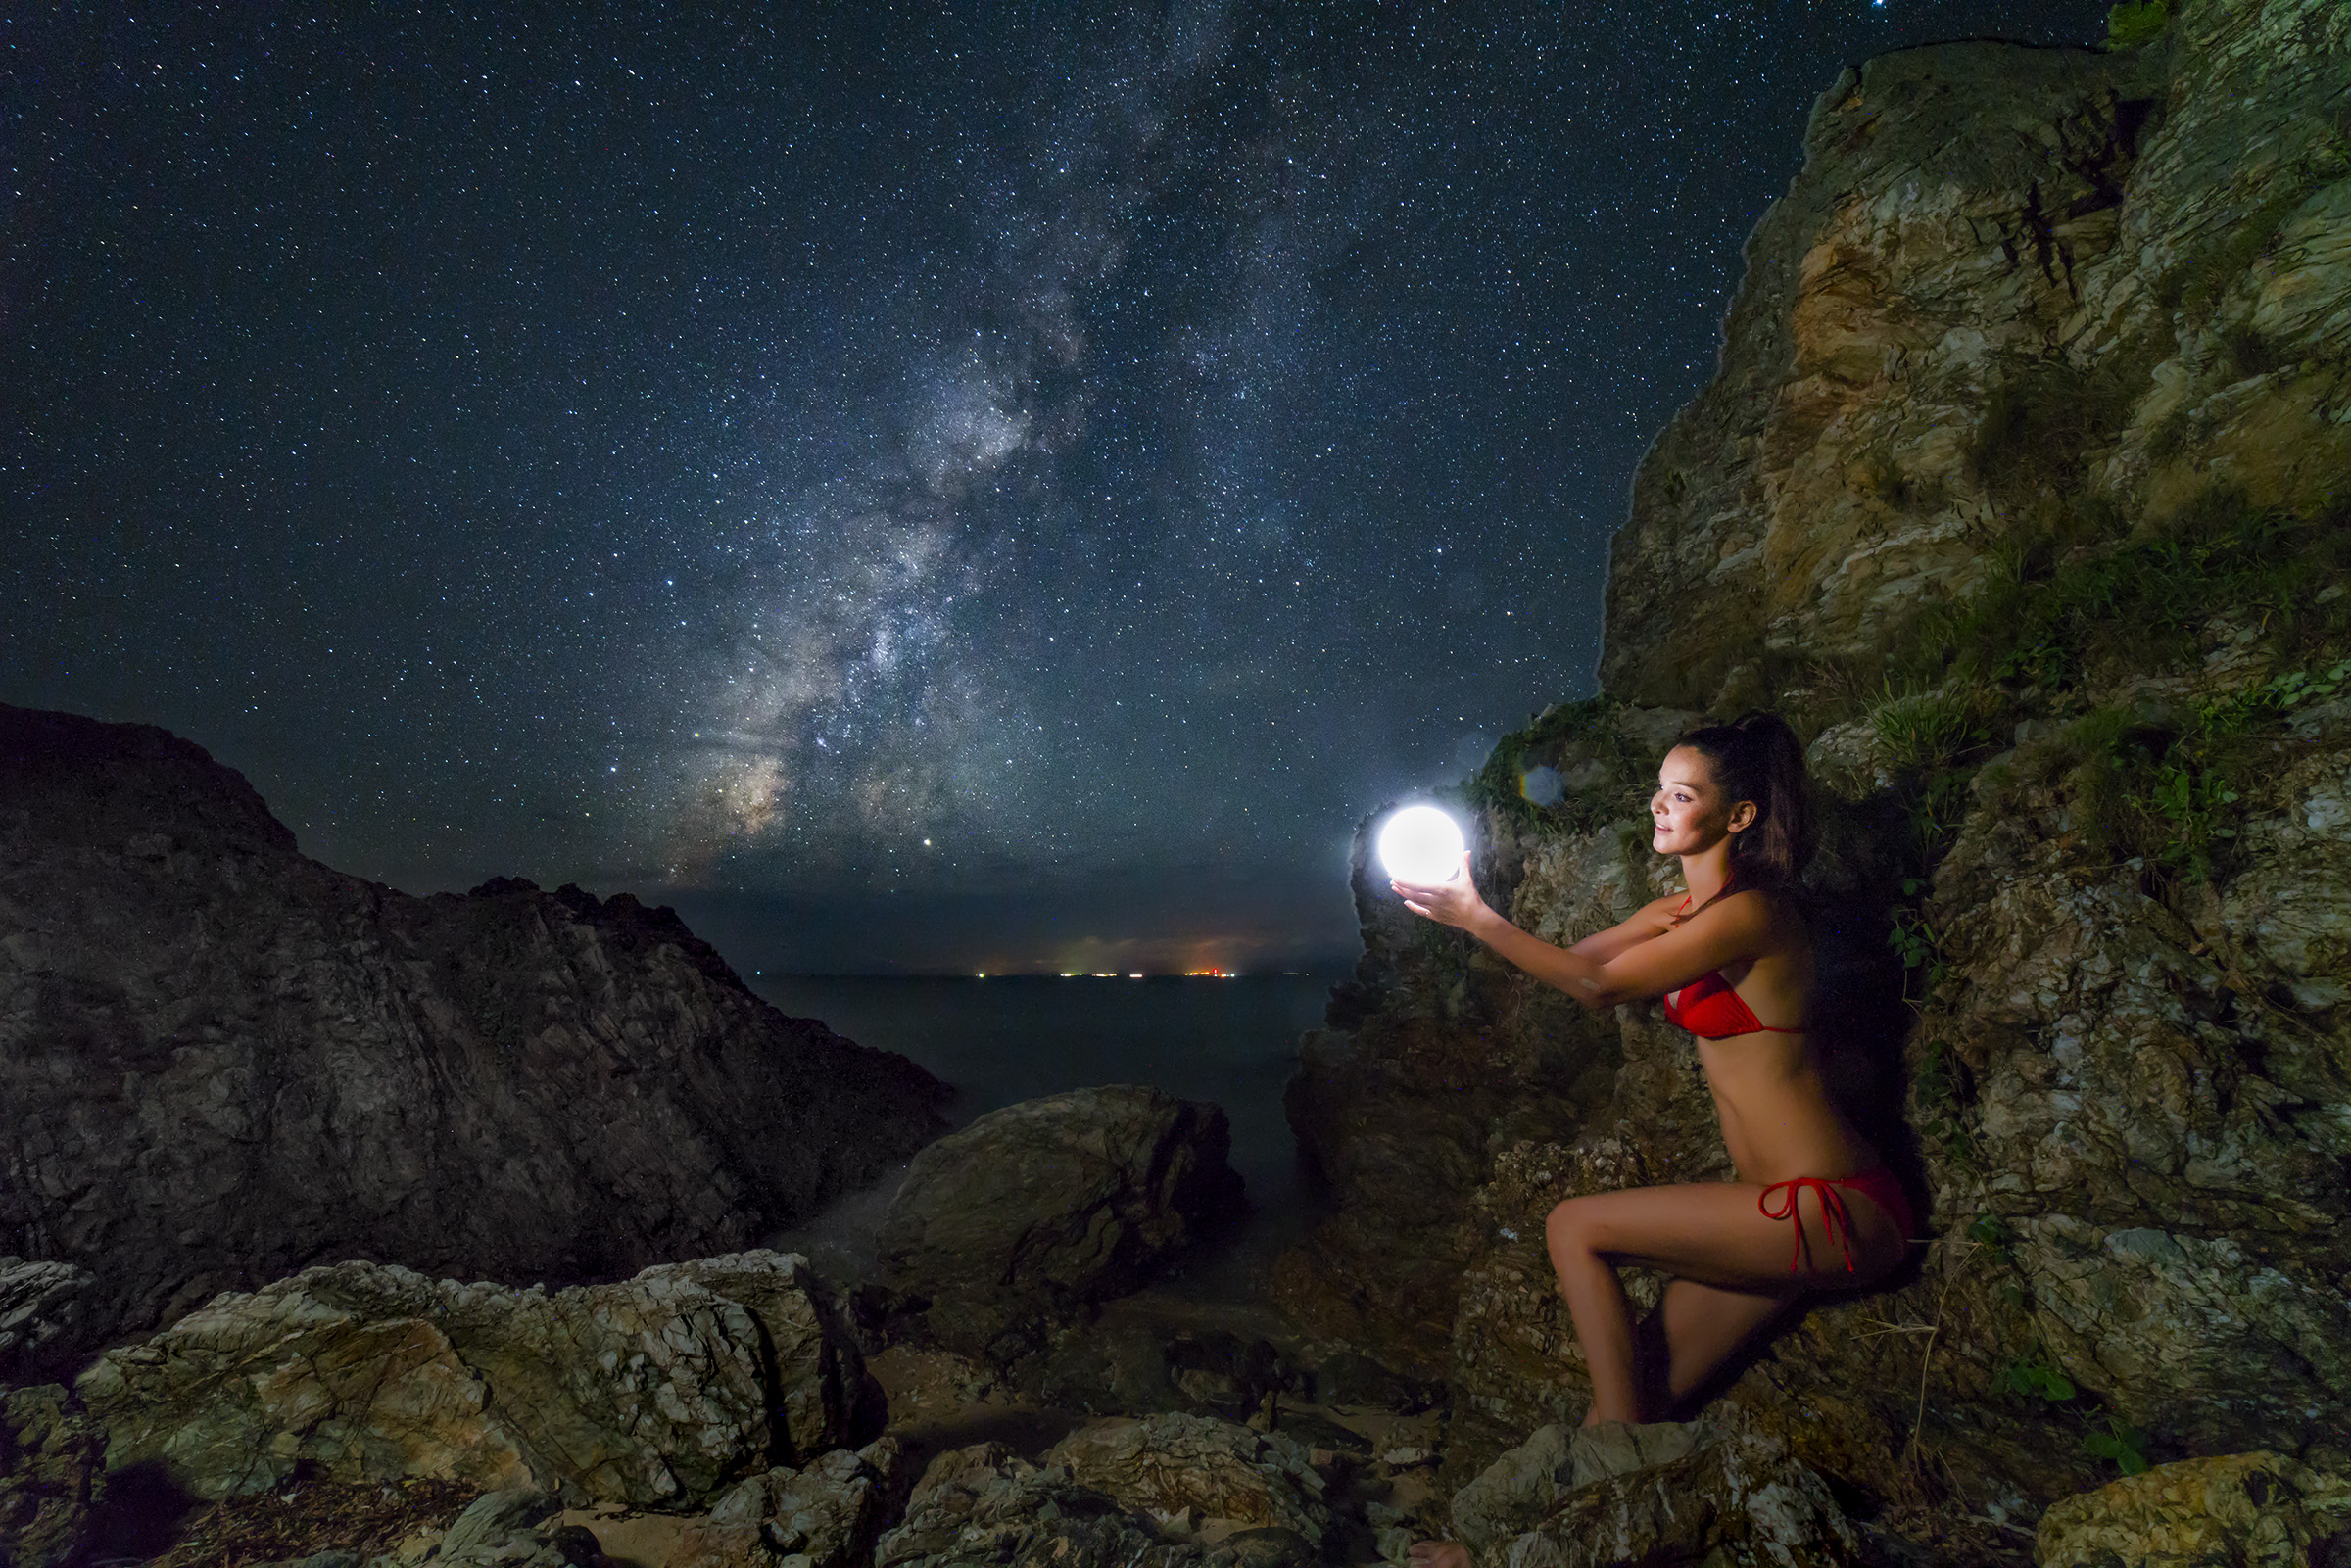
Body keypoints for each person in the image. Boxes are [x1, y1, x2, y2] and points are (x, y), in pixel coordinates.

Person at [1390, 711, 1913, 1455]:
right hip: (1771, 1210)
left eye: (1682, 794)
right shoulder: (1682, 913)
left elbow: (1598, 985)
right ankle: (1516, 1540)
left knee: (1574, 1226)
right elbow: (1577, 961)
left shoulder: (1755, 914)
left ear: (1738, 816)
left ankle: (1609, 1484)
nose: (1659, 805)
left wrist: (1479, 921)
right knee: (1640, 1394)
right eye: (1660, 790)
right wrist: (1501, 913)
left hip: (1836, 1206)